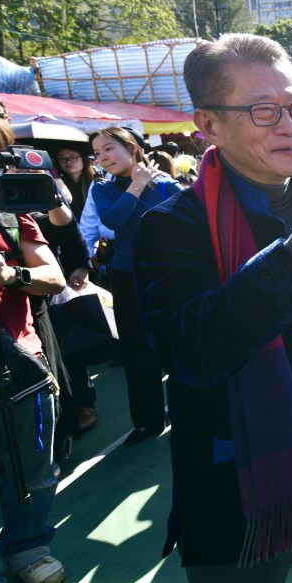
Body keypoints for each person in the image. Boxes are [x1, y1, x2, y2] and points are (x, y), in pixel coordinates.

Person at [133, 33, 292, 583]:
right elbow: (191, 350)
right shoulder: (171, 226)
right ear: (208, 126)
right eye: (264, 111)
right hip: (238, 483)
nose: (289, 125)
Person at [0, 113, 68, 583]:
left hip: (19, 360)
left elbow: (52, 276)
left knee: (33, 465)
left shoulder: (11, 213)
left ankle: (28, 547)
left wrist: (10, 275)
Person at [89, 127, 180, 446]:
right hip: (127, 276)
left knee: (177, 342)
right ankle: (147, 420)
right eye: (98, 153)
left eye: (109, 149)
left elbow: (184, 223)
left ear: (132, 147)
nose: (103, 157)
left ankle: (188, 410)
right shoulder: (102, 188)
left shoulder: (167, 185)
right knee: (136, 349)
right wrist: (138, 184)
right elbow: (113, 221)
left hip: (169, 272)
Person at [51, 142, 97, 221]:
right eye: (62, 158)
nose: (68, 161)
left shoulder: (96, 182)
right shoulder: (58, 185)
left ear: (84, 159)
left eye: (73, 157)